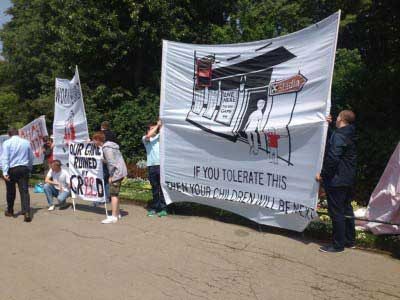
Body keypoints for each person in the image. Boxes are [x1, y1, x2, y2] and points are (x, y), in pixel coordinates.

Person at [317, 110, 357, 253]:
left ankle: (337, 245)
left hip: (336, 180)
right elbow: (337, 142)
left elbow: (333, 157)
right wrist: (328, 128)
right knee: (346, 209)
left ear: (340, 119)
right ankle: (349, 240)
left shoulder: (339, 135)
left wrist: (323, 175)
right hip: (347, 179)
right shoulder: (349, 133)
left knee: (336, 212)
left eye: (337, 116)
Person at [92, 131, 127, 224]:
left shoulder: (106, 148)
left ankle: (114, 216)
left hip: (116, 173)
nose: (93, 142)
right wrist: (104, 160)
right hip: (120, 171)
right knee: (115, 194)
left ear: (98, 140)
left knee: (113, 195)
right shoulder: (110, 146)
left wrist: (111, 176)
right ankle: (117, 213)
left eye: (94, 140)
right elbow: (112, 160)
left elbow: (112, 163)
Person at [1, 127, 34, 222]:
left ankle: (10, 211)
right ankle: (26, 212)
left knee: (10, 191)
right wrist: (29, 168)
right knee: (24, 191)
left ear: (9, 134)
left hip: (12, 169)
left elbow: (5, 158)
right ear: (18, 133)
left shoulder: (6, 143)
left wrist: (4, 172)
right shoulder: (26, 142)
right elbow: (31, 157)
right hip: (24, 168)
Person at [142, 120, 167, 217]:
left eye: (154, 129)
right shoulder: (145, 138)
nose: (154, 130)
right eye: (151, 129)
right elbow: (149, 136)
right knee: (155, 188)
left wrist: (160, 125)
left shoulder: (160, 137)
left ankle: (163, 208)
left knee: (162, 188)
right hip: (151, 166)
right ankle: (156, 208)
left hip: (161, 165)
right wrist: (157, 125)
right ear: (148, 130)